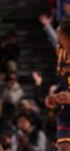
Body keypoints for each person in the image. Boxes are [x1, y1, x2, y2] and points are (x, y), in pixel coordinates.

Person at [46, 19, 70, 151]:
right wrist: (54, 95)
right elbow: (63, 82)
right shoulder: (60, 53)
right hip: (66, 112)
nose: (57, 35)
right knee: (63, 147)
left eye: (59, 33)